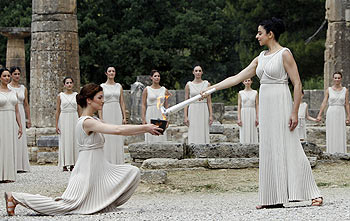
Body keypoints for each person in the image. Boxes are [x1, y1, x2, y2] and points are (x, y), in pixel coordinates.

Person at [201, 17, 322, 208]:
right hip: (266, 105)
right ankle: (273, 197)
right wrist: (211, 89)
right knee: (269, 147)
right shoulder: (260, 58)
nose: (257, 36)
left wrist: (294, 112)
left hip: (281, 102)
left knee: (290, 145)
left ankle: (312, 193)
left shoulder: (285, 54)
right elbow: (237, 77)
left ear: (270, 34)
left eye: (260, 33)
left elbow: (297, 83)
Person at [4, 83, 162, 216]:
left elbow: (116, 129)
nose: (103, 101)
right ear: (89, 100)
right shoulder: (87, 122)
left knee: (132, 172)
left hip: (100, 168)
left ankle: (102, 203)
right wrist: (146, 128)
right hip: (87, 169)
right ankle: (16, 197)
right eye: (100, 98)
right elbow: (117, 130)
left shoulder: (93, 119)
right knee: (66, 205)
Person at [99, 66, 127, 164]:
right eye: (109, 71)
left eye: (113, 71)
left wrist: (124, 117)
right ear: (106, 73)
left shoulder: (119, 86)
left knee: (117, 134)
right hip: (107, 110)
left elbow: (122, 102)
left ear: (115, 73)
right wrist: (101, 118)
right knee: (107, 135)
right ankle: (107, 160)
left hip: (117, 111)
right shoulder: (102, 86)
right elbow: (100, 103)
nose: (111, 73)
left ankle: (118, 161)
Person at [316, 72, 350, 153]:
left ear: (341, 79)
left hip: (341, 112)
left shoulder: (345, 90)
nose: (337, 79)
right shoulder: (329, 90)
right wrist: (319, 115)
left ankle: (341, 152)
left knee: (340, 132)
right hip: (331, 112)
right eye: (335, 78)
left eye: (338, 78)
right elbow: (324, 102)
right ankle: (331, 152)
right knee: (332, 131)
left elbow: (347, 104)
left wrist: (348, 116)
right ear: (333, 79)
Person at [0, 68, 22, 182]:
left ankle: (8, 175)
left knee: (9, 146)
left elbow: (17, 111)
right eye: (4, 76)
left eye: (8, 76)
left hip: (11, 122)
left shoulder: (14, 92)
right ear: (0, 77)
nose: (7, 78)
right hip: (1, 121)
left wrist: (20, 126)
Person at [8, 66, 31, 172]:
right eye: (15, 74)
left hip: (21, 111)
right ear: (11, 75)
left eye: (18, 74)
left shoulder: (23, 88)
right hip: (10, 112)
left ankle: (21, 165)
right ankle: (12, 164)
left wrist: (28, 118)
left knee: (21, 138)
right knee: (12, 137)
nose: (17, 76)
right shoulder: (7, 87)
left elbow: (26, 104)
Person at [55, 77, 80, 172]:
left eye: (70, 82)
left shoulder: (76, 95)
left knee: (74, 139)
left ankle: (74, 163)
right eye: (67, 83)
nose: (69, 84)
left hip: (74, 117)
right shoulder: (60, 96)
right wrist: (56, 124)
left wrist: (81, 120)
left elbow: (79, 109)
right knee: (65, 140)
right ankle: (65, 164)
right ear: (64, 85)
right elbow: (57, 111)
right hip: (64, 118)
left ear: (73, 84)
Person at [184, 65, 213, 144]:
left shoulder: (207, 84)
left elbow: (209, 101)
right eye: (196, 71)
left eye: (199, 71)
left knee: (203, 128)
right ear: (193, 72)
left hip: (203, 108)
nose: (198, 72)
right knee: (193, 129)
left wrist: (210, 115)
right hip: (193, 108)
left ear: (202, 72)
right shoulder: (188, 85)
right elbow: (186, 101)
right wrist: (185, 116)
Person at [141, 70, 170, 143]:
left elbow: (166, 106)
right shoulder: (146, 90)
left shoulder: (165, 90)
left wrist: (167, 119)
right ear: (151, 78)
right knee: (150, 134)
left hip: (161, 113)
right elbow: (143, 105)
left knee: (160, 134)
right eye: (155, 76)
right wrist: (143, 119)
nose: (157, 77)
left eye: (158, 76)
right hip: (150, 112)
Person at [237, 78, 259, 144]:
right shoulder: (240, 93)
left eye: (249, 80)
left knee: (253, 129)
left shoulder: (255, 92)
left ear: (251, 81)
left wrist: (257, 117)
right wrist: (239, 118)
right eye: (245, 81)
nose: (247, 82)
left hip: (252, 112)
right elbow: (239, 106)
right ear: (243, 82)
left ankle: (253, 145)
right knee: (244, 130)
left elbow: (257, 105)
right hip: (243, 112)